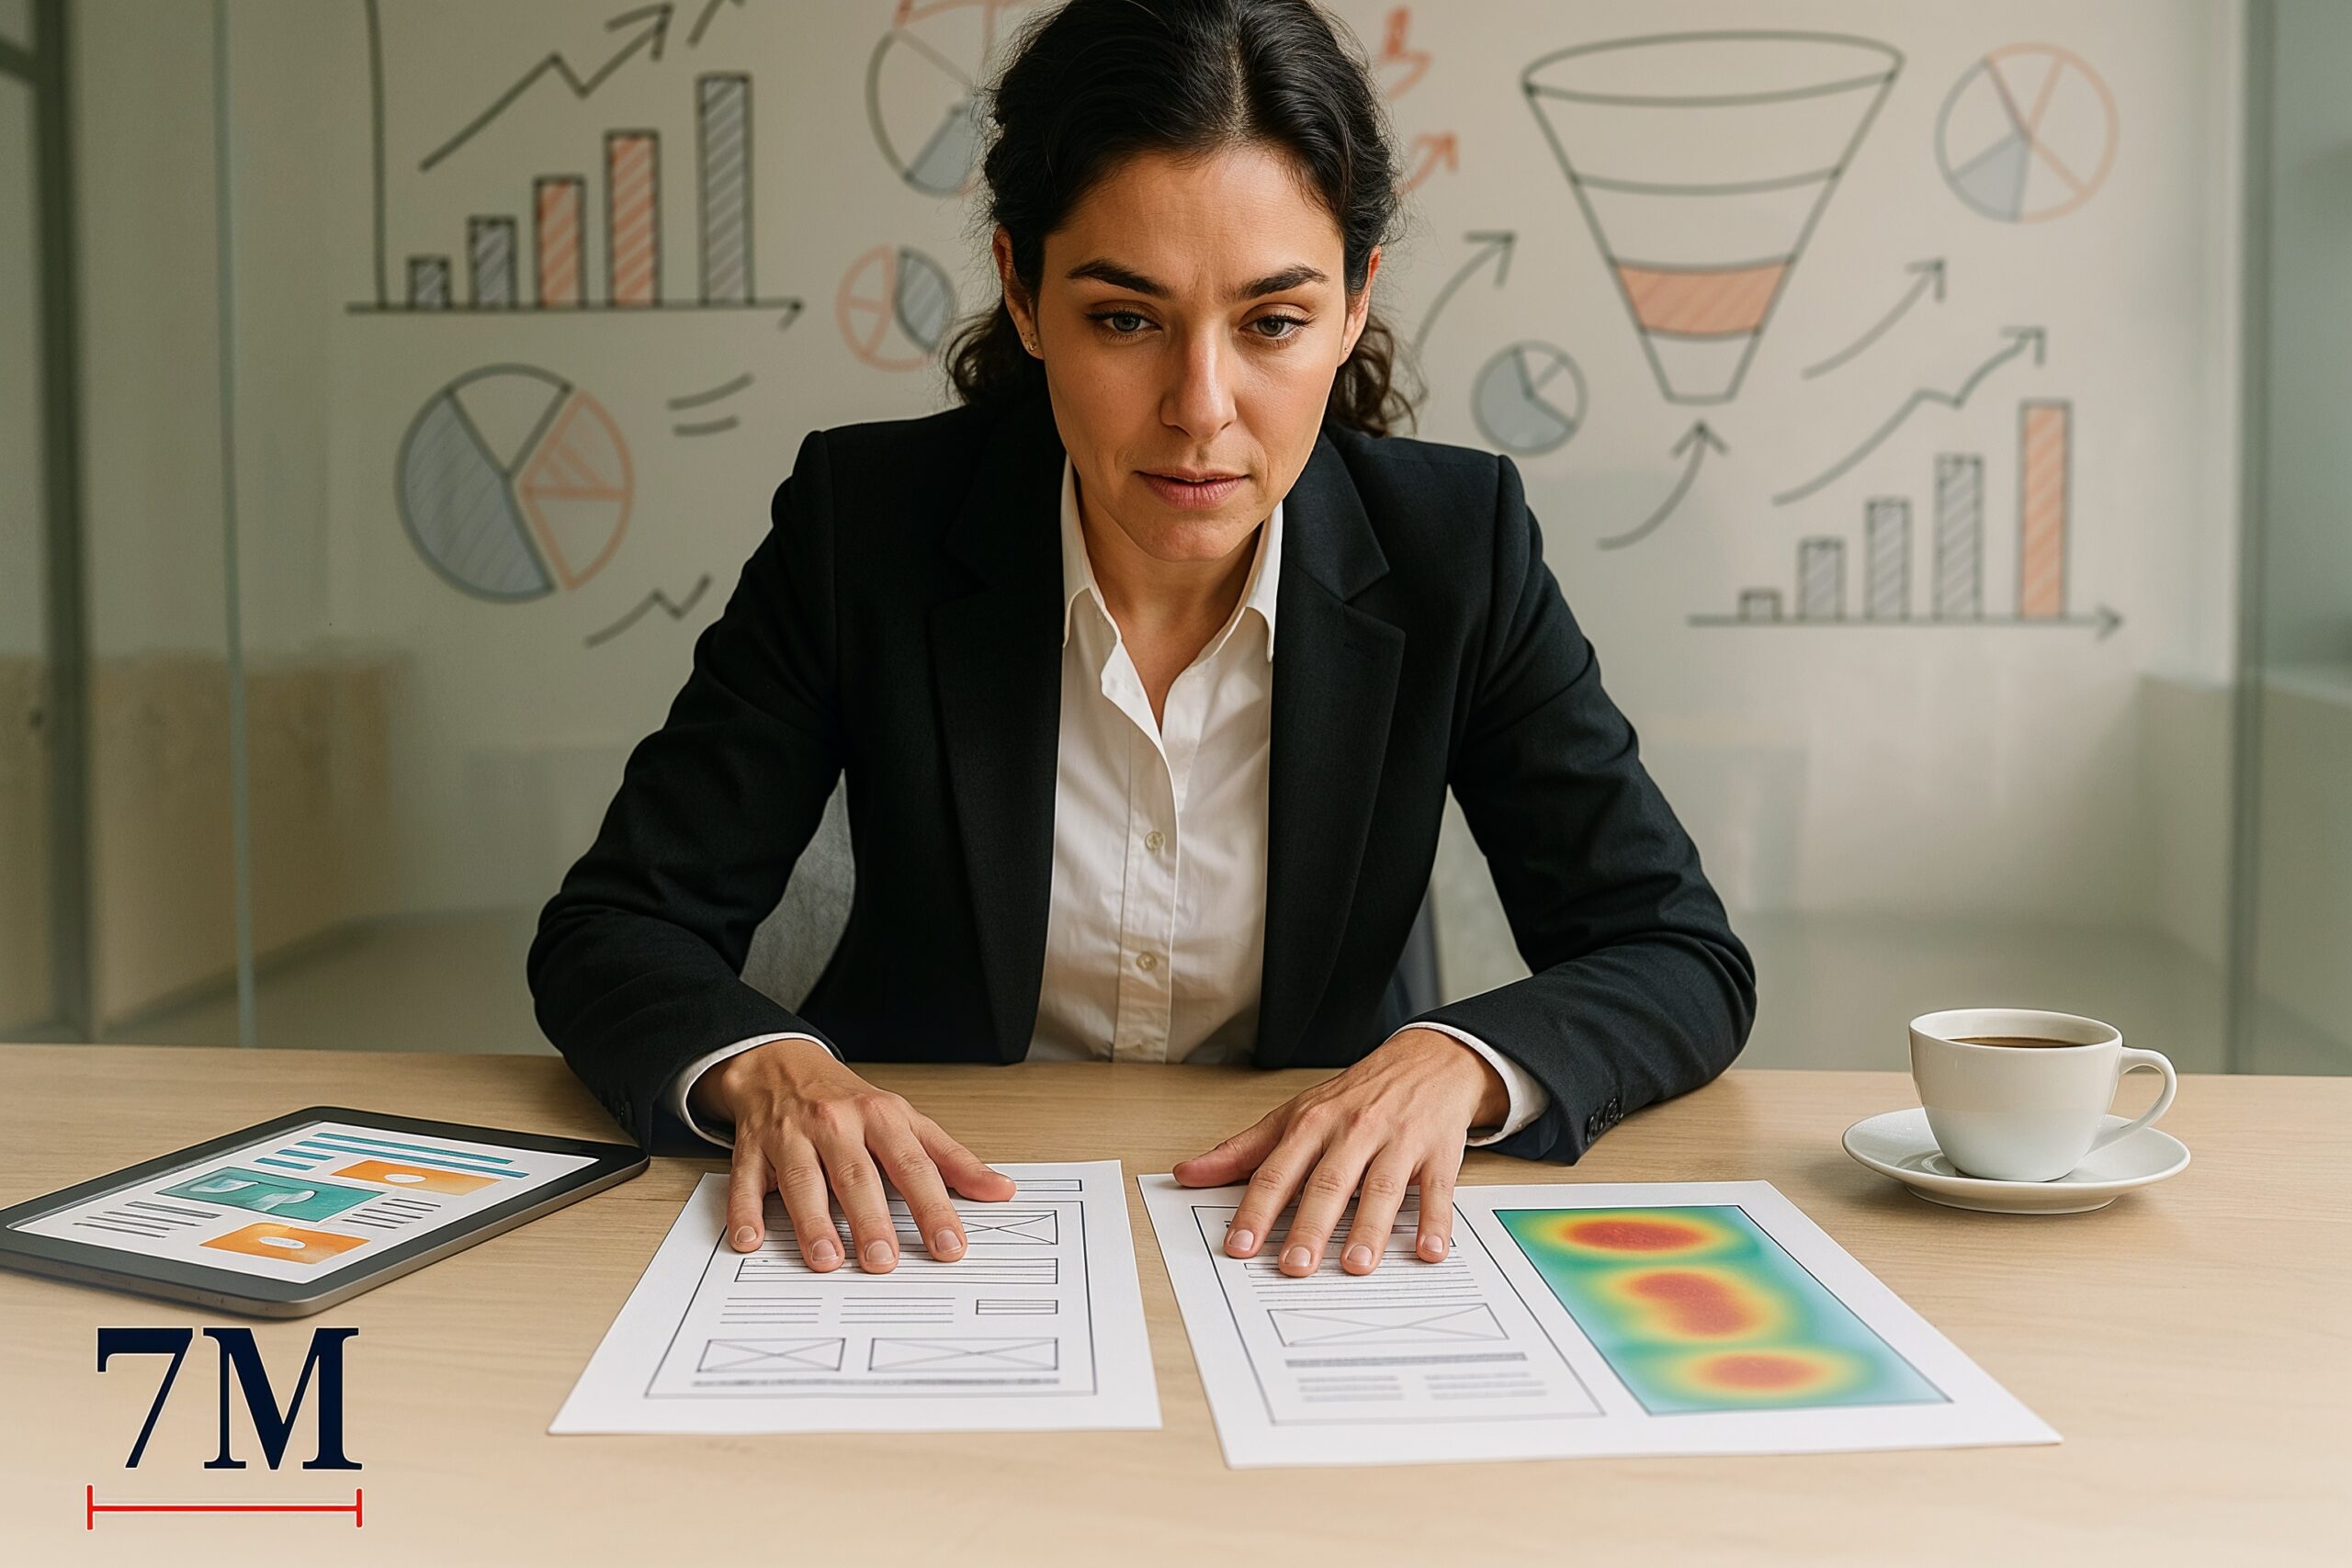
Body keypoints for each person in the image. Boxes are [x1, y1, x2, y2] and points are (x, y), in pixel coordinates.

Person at [528, 0, 1754, 1287]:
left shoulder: (1460, 548)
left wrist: (1457, 1063)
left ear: (1352, 307)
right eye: (1126, 319)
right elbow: (616, 927)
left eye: (1273, 323)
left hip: (1307, 1245)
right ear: (1025, 290)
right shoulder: (866, 529)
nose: (1200, 410)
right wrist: (763, 1069)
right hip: (928, 1230)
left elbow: (1676, 955)